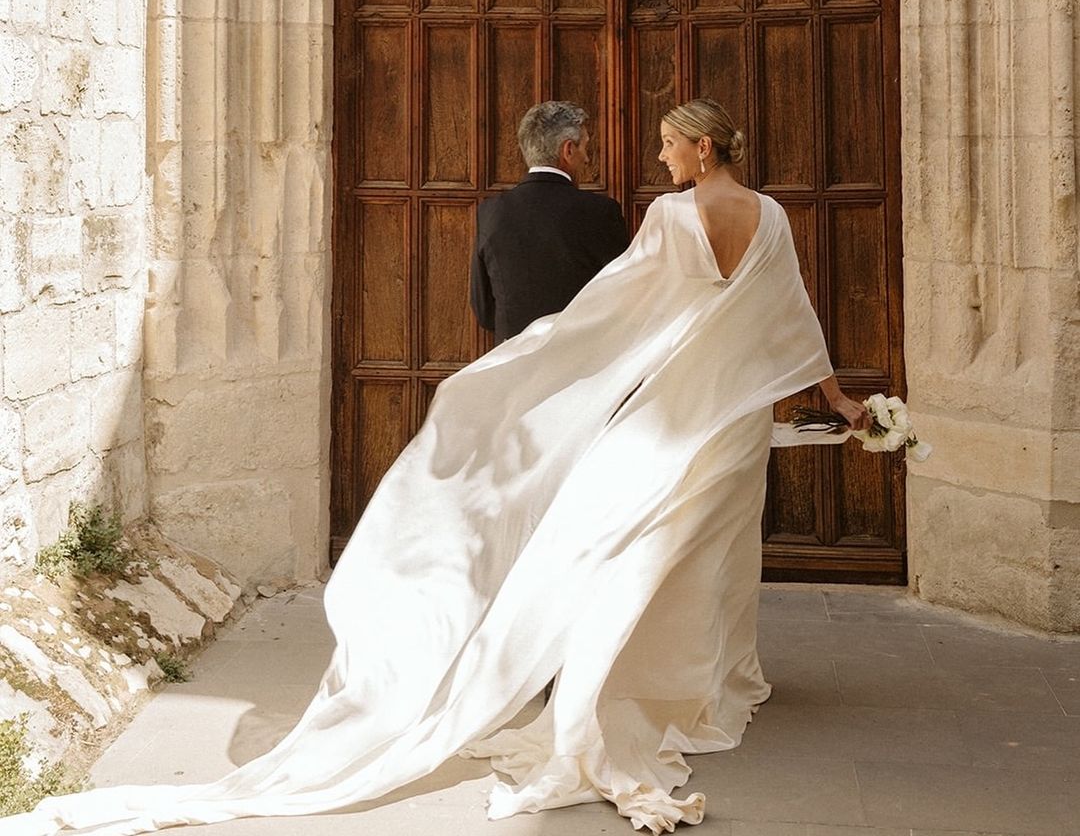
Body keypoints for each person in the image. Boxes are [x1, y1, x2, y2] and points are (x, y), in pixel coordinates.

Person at [7, 99, 868, 836]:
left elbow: (609, 315)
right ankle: (705, 689)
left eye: (669, 144)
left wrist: (521, 367)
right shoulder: (773, 217)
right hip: (729, 420)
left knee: (634, 552)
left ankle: (643, 689)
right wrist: (837, 401)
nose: (659, 156)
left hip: (668, 414)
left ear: (702, 148)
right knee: (713, 559)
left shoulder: (672, 219)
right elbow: (793, 318)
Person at [470, 100, 628, 343]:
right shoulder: (601, 211)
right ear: (568, 150)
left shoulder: (491, 211)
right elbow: (620, 297)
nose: (587, 158)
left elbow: (484, 310)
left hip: (514, 360)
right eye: (586, 147)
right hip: (583, 360)